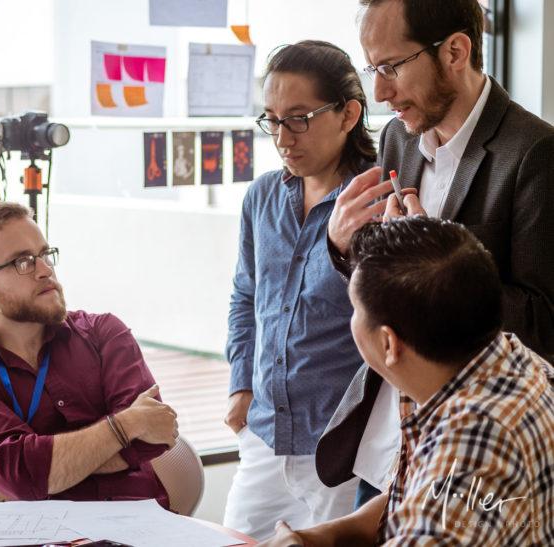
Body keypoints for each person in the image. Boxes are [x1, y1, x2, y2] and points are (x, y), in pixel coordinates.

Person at [317, 0, 554, 506]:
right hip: (386, 442)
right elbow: (383, 284)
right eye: (372, 69)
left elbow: (544, 322)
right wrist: (342, 245)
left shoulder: (536, 154)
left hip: (475, 448)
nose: (379, 93)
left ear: (455, 51)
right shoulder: (398, 138)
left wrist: (436, 260)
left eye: (391, 67)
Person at [259, 216, 554, 546]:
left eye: (355, 308)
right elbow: (417, 497)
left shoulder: (474, 442)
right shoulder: (501, 356)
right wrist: (310, 537)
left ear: (389, 343)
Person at [223, 40, 377, 540]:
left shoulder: (377, 200)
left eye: (298, 118)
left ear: (348, 114)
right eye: (271, 120)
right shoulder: (262, 195)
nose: (283, 138)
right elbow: (246, 295)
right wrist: (241, 383)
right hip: (266, 433)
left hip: (342, 444)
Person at [0, 201, 179, 508]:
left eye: (45, 254)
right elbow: (22, 476)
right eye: (23, 262)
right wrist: (126, 425)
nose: (46, 270)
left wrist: (37, 475)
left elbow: (152, 438)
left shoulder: (104, 333)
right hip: (37, 533)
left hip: (139, 525)